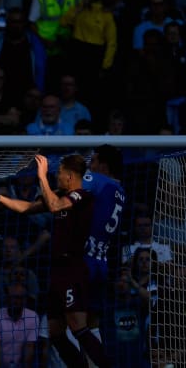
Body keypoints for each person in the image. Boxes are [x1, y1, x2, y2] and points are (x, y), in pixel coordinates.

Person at [0, 154, 112, 368]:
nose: (56, 176)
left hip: (73, 269)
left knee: (77, 326)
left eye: (59, 173)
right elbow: (27, 208)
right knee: (55, 331)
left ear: (70, 176)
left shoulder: (82, 195)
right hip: (55, 270)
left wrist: (41, 177)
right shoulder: (57, 195)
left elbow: (56, 206)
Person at [82, 144, 125, 342]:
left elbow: (68, 192)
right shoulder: (121, 191)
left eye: (93, 161)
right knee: (93, 323)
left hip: (83, 260)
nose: (89, 166)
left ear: (104, 166)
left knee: (73, 321)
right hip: (102, 262)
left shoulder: (97, 179)